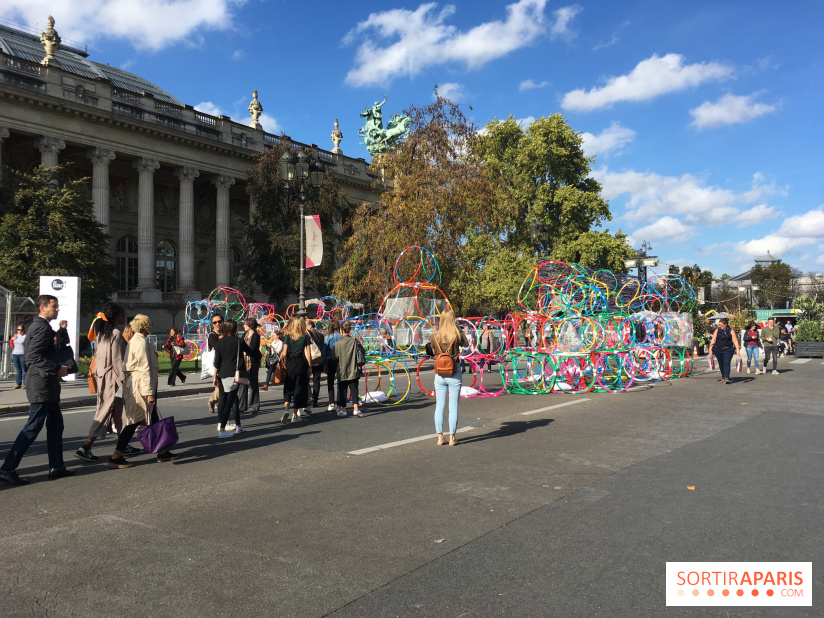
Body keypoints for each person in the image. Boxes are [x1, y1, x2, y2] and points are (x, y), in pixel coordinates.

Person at [0, 295, 74, 484]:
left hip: (45, 384)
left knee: (56, 425)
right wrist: (57, 368)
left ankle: (56, 466)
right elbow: (33, 356)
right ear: (42, 307)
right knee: (33, 427)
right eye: (54, 306)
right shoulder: (42, 327)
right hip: (41, 385)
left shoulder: (38, 325)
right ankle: (7, 468)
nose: (57, 309)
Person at [75, 303, 142, 467]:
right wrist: (126, 381)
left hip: (103, 376)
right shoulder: (116, 333)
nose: (124, 317)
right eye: (122, 314)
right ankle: (86, 446)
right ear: (115, 317)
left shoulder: (102, 333)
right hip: (114, 379)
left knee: (119, 411)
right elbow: (117, 361)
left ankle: (122, 444)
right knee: (106, 411)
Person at [123, 314, 177, 462]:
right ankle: (116, 454)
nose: (151, 326)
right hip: (140, 385)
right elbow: (144, 367)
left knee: (153, 419)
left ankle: (162, 451)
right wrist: (149, 392)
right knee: (136, 420)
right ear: (145, 326)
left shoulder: (138, 340)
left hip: (140, 384)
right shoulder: (140, 341)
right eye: (150, 324)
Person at [428, 309, 469, 446]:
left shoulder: (435, 335)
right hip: (454, 371)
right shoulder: (456, 334)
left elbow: (434, 352)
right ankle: (452, 438)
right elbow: (466, 344)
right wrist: (458, 328)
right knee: (453, 407)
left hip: (440, 373)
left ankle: (440, 437)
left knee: (439, 406)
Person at [212, 319, 253, 438]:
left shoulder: (220, 342)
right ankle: (222, 429)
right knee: (230, 401)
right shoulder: (238, 341)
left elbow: (217, 362)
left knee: (226, 399)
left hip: (221, 373)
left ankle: (237, 425)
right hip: (234, 374)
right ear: (234, 328)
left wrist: (215, 376)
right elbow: (249, 351)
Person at [279, 317, 312, 424]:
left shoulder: (288, 336)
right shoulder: (305, 337)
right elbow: (308, 354)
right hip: (301, 363)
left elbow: (284, 353)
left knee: (288, 386)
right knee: (298, 388)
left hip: (290, 363)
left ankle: (286, 409)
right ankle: (295, 414)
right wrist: (310, 367)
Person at [331, 322, 362, 417]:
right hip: (353, 369)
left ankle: (343, 409)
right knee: (354, 389)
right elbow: (362, 352)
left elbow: (334, 357)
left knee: (342, 390)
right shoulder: (355, 341)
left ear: (341, 330)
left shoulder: (338, 343)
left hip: (342, 370)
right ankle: (356, 408)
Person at [237, 317, 262, 415]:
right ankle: (242, 406)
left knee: (253, 383)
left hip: (253, 361)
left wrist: (244, 347)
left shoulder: (255, 335)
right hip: (244, 361)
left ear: (250, 325)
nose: (243, 325)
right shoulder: (245, 334)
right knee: (243, 382)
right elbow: (241, 344)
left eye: (245, 324)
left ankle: (254, 406)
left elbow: (252, 348)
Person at [708, 317, 740, 385]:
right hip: (718, 349)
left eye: (721, 325)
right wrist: (710, 349)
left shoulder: (730, 330)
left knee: (726, 363)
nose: (719, 326)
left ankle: (726, 377)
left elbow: (735, 341)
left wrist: (738, 351)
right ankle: (723, 376)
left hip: (728, 349)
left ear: (726, 325)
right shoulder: (717, 330)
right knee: (721, 363)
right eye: (719, 324)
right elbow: (713, 340)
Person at [306, 319, 326, 412]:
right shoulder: (320, 335)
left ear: (310, 326)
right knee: (316, 380)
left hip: (310, 359)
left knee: (306, 379)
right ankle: (315, 400)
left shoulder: (308, 334)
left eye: (306, 325)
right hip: (319, 359)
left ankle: (310, 396)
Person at [322, 320, 342, 412]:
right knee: (340, 382)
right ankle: (339, 404)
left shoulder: (328, 337)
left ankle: (331, 403)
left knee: (330, 381)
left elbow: (325, 350)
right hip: (339, 360)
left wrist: (323, 362)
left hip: (330, 360)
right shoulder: (340, 337)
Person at [207, 313, 223, 414]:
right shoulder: (212, 336)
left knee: (221, 385)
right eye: (215, 322)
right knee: (221, 385)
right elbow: (217, 347)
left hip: (225, 362)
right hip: (217, 364)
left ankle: (216, 402)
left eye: (219, 321)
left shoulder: (224, 333)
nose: (217, 324)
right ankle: (213, 400)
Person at [10, 324, 26, 389]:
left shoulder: (25, 336)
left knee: (24, 369)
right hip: (15, 353)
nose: (19, 331)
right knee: (18, 369)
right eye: (18, 329)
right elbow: (11, 343)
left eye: (21, 330)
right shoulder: (15, 335)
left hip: (22, 353)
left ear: (23, 330)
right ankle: (18, 383)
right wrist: (12, 339)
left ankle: (25, 384)